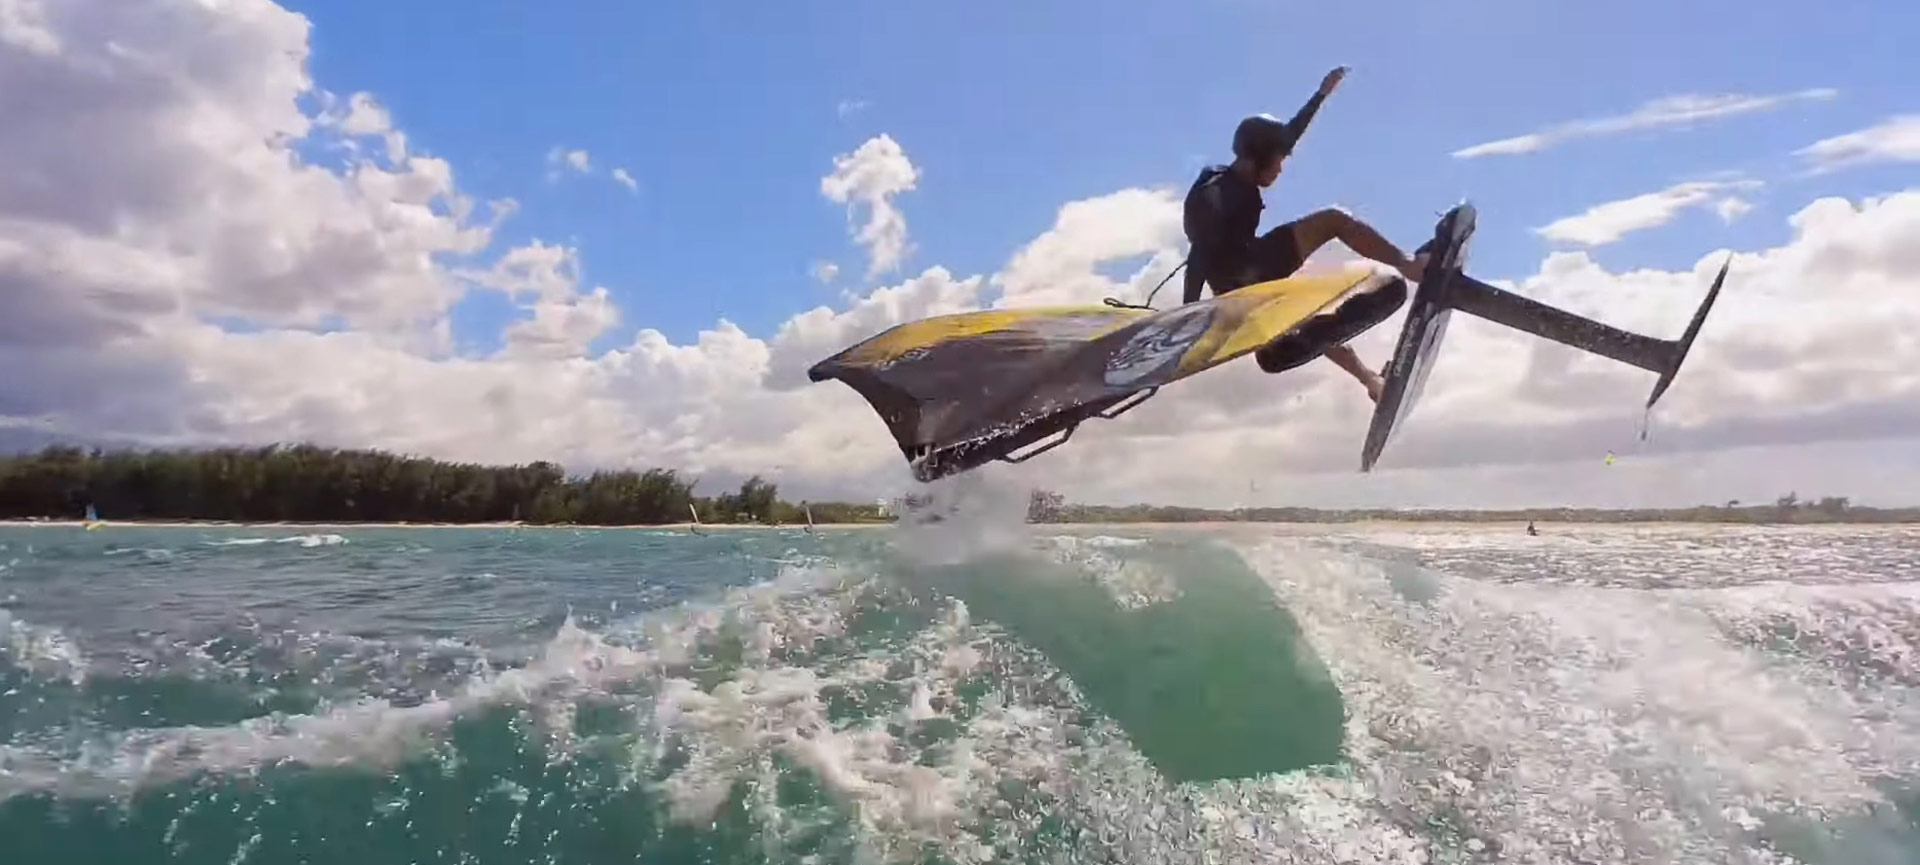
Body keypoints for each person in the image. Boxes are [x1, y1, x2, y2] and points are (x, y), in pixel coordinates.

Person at [1181, 66, 1429, 403]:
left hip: (1241, 278)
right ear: (1260, 159)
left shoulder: (1239, 171)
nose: (1281, 169)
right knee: (1334, 220)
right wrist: (1187, 313)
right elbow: (1199, 253)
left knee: (1306, 321)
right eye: (1279, 162)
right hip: (1245, 275)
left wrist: (1321, 95)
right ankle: (1411, 266)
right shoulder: (1219, 196)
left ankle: (1371, 382)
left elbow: (1284, 138)